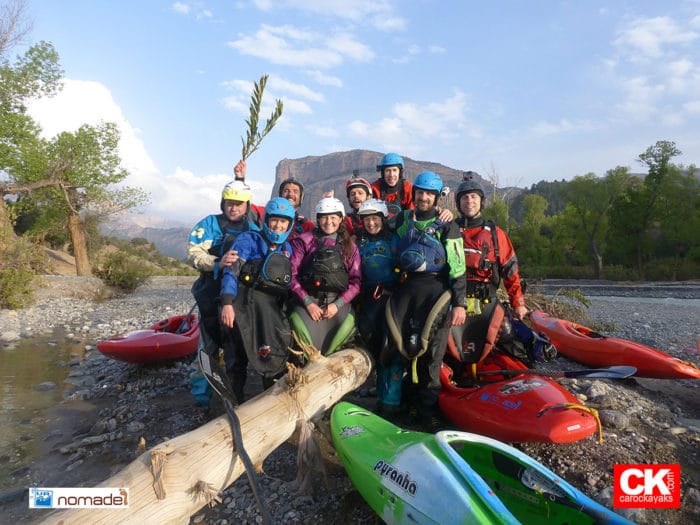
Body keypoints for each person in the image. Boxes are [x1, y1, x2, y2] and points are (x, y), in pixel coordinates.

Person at [384, 171, 467, 428]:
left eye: (428, 194)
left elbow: (458, 266)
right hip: (407, 289)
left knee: (432, 354)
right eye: (419, 193)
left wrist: (460, 303)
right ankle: (404, 405)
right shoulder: (403, 219)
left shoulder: (448, 226)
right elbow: (376, 226)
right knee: (404, 348)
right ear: (414, 194)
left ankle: (426, 413)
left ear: (436, 197)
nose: (422, 197)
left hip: (436, 292)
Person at [449, 171, 536, 367]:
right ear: (458, 203)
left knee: (509, 336)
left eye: (473, 197)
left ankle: (525, 376)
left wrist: (518, 303)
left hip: (487, 301)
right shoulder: (448, 230)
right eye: (464, 197)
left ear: (481, 201)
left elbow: (511, 272)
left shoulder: (496, 234)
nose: (469, 201)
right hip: (454, 303)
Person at [187, 178, 261, 406]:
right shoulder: (209, 224)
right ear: (223, 203)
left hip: (239, 297)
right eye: (229, 202)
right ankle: (202, 400)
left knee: (236, 349)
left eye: (239, 203)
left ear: (247, 206)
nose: (234, 207)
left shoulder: (253, 229)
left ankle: (234, 394)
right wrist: (218, 261)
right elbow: (194, 255)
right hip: (211, 292)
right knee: (207, 347)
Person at [219, 197, 295, 404]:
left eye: (283, 222)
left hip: (270, 311)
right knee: (237, 358)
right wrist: (227, 303)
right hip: (243, 305)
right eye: (274, 221)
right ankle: (234, 403)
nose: (278, 226)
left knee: (271, 355)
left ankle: (270, 405)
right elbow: (231, 272)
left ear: (289, 225)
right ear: (267, 220)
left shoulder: (288, 249)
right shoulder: (249, 240)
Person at [289, 197, 361, 356]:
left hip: (337, 304)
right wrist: (308, 303)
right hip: (308, 302)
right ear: (318, 218)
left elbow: (355, 282)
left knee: (344, 334)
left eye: (333, 217)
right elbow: (292, 275)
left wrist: (337, 304)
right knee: (301, 337)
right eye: (324, 217)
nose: (329, 222)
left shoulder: (349, 246)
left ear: (341, 219)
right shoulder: (304, 241)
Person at [354, 199, 403, 416]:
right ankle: (380, 394)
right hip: (367, 299)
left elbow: (404, 268)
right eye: (367, 219)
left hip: (390, 298)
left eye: (375, 219)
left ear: (383, 219)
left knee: (390, 347)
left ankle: (391, 401)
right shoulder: (359, 242)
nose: (371, 223)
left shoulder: (394, 240)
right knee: (374, 345)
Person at [233, 159, 313, 238]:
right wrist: (239, 180)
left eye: (295, 191)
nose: (290, 194)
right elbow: (244, 209)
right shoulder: (266, 212)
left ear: (301, 197)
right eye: (286, 191)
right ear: (280, 195)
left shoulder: (306, 225)